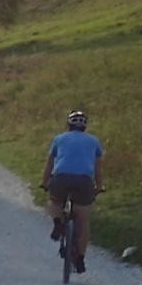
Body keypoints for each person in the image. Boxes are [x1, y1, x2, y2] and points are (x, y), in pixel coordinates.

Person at [42, 109, 104, 274]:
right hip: (84, 181)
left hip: (61, 178)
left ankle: (58, 223)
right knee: (83, 220)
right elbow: (98, 169)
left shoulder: (59, 139)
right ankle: (80, 258)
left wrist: (44, 182)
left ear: (68, 125)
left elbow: (49, 164)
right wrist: (99, 186)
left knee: (55, 200)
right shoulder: (94, 141)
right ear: (85, 127)